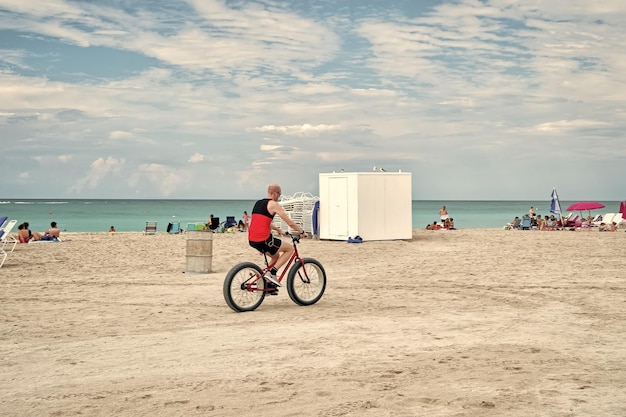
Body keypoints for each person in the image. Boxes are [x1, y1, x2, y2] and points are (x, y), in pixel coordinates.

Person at [248, 184, 307, 290]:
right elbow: (289, 222)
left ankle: (262, 277)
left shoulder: (258, 203)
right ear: (275, 193)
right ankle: (273, 273)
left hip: (252, 239)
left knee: (275, 256)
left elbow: (263, 222)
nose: (279, 197)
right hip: (264, 240)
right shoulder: (273, 204)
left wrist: (279, 230)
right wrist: (302, 231)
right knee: (290, 249)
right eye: (279, 195)